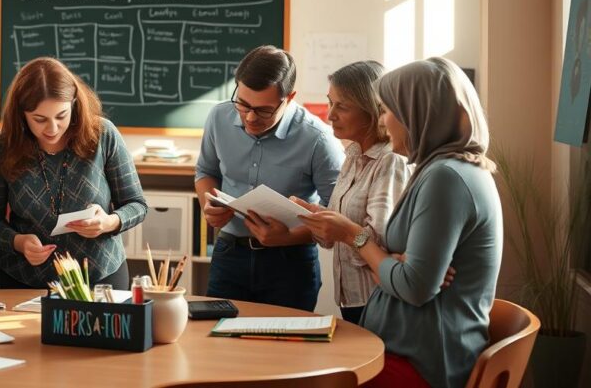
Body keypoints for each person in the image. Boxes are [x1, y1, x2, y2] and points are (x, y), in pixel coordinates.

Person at [296, 57, 502, 388]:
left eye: (388, 111)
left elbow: (413, 286)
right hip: (403, 345)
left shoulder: (445, 178)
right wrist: (391, 258)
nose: (384, 122)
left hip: (421, 358)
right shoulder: (442, 170)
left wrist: (357, 238)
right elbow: (411, 274)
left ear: (416, 116)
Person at [195, 45, 344, 310]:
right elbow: (206, 171)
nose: (250, 117)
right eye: (242, 104)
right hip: (229, 252)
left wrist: (288, 237)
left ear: (289, 97)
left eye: (264, 110)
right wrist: (208, 204)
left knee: (286, 348)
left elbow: (338, 215)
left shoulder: (318, 139)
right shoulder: (219, 117)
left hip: (290, 263)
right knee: (218, 344)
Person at [0, 57, 147, 289]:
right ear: (21, 114)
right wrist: (18, 242)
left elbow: (137, 204)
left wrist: (108, 222)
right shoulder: (3, 148)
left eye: (61, 116)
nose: (52, 128)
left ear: (75, 104)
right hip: (25, 278)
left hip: (100, 275)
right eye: (39, 119)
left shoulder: (102, 135)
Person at [321, 61, 410, 324]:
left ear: (372, 112)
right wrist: (314, 217)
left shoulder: (389, 160)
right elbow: (337, 234)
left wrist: (341, 228)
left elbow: (383, 242)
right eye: (330, 103)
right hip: (351, 298)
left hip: (376, 299)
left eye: (342, 107)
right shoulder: (352, 155)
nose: (330, 115)